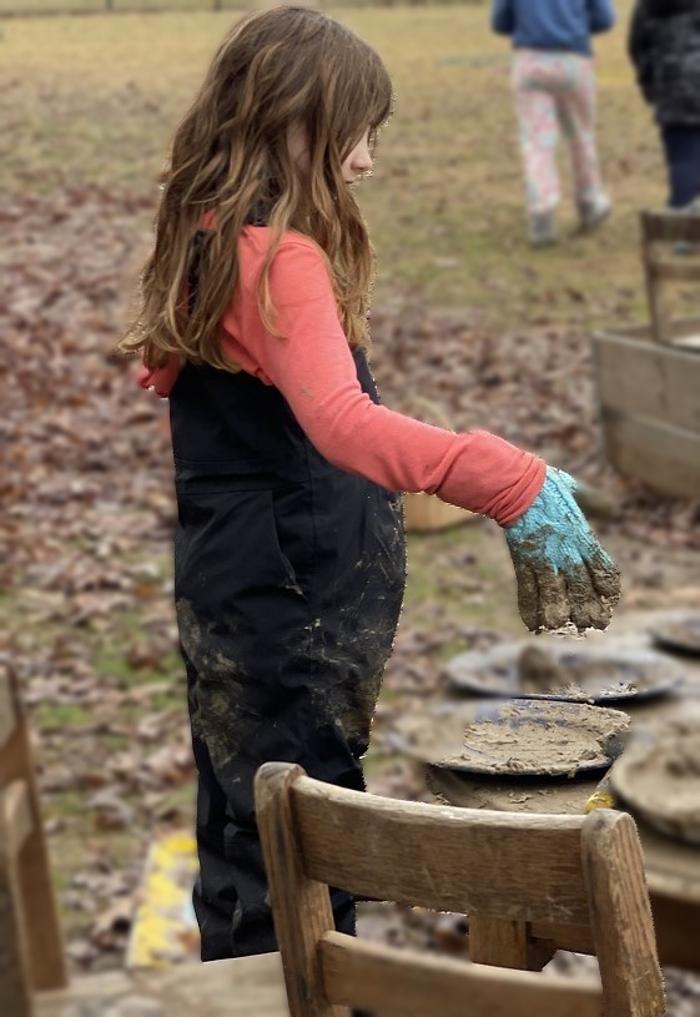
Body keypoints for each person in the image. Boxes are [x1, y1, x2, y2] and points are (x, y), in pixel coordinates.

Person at [119, 5, 620, 974]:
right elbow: (343, 424)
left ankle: (246, 988)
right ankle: (301, 993)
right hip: (291, 612)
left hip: (239, 597)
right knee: (303, 853)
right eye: (359, 133)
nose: (367, 161)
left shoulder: (211, 229)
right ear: (297, 121)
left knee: (244, 835)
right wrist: (510, 481)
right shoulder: (281, 258)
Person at [491, 0, 616, 246]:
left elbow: (500, 22)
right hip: (573, 59)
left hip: (531, 60)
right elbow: (605, 19)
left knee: (537, 142)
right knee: (581, 135)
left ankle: (542, 213)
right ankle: (589, 201)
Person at [629, 0, 700, 210]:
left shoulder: (645, 7)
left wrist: (650, 85)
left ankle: (681, 217)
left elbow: (637, 49)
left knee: (681, 157)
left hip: (670, 88)